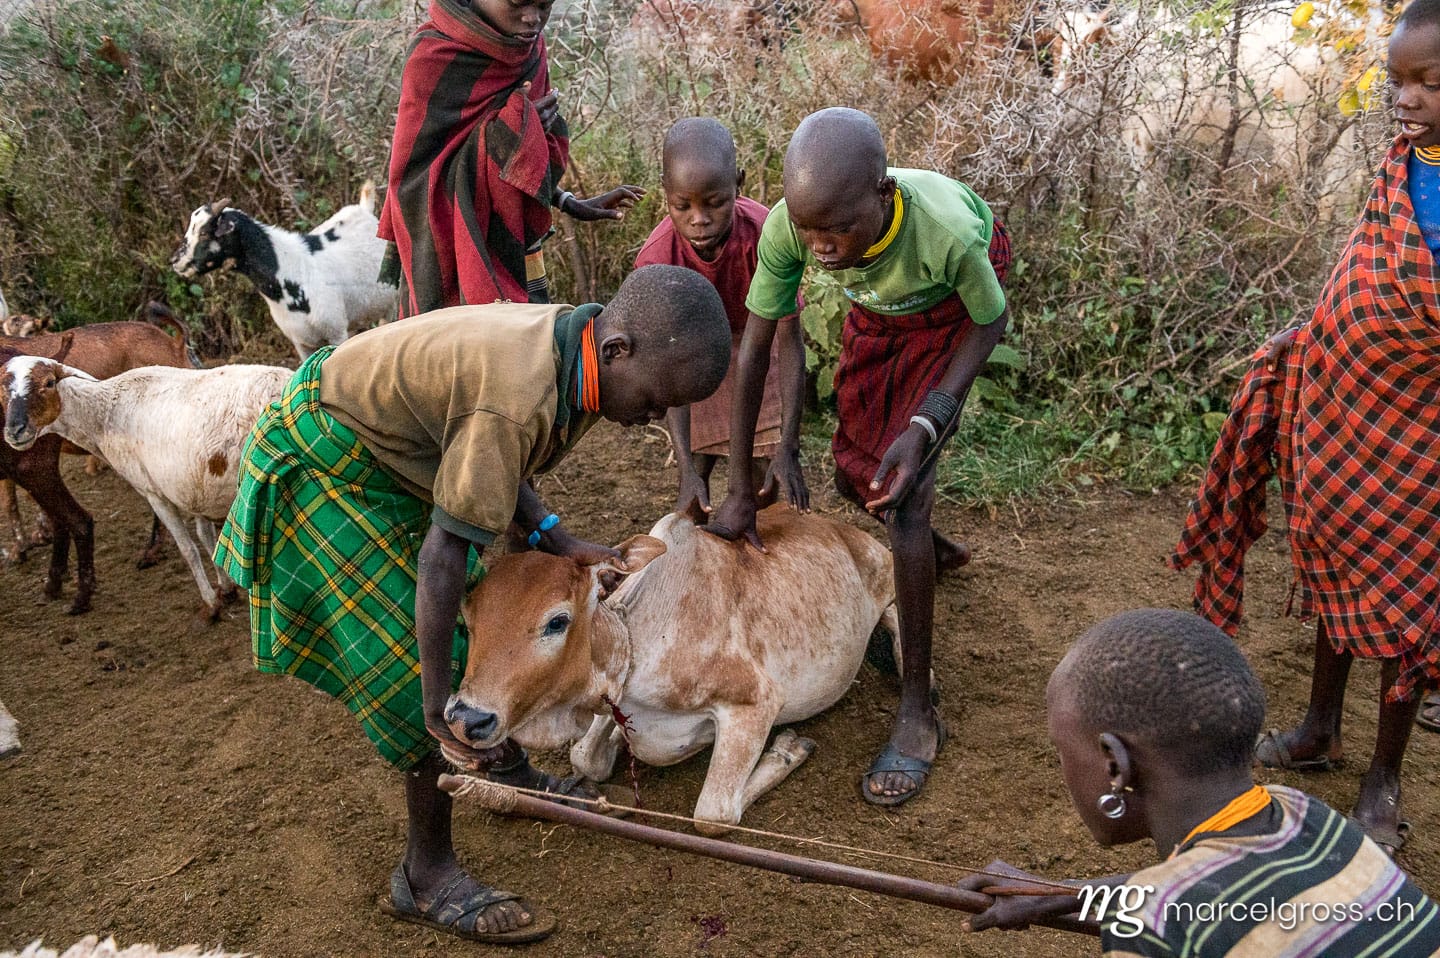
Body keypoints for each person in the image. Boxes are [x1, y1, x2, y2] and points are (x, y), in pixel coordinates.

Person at [213, 265, 731, 945]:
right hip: (329, 460)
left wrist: (549, 532)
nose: (657, 418)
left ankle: (507, 772)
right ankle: (425, 875)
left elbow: (485, 452)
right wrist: (436, 703)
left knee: (465, 665)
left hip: (388, 451)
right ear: (617, 352)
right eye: (659, 400)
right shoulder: (520, 392)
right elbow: (443, 556)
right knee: (433, 658)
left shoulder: (574, 343)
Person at [1170, 0, 1440, 858]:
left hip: (1421, 429)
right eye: (1398, 78)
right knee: (1336, 561)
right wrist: (1315, 331)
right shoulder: (1403, 162)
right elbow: (1364, 264)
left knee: (1409, 604)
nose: (1405, 97)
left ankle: (1383, 780)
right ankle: (1321, 725)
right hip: (1340, 402)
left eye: (1428, 82)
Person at [707, 107, 1010, 807]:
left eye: (839, 228)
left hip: (957, 309)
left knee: (898, 491)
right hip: (884, 309)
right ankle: (928, 551)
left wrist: (930, 420)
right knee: (856, 474)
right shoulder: (794, 228)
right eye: (810, 230)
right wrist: (742, 487)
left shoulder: (944, 232)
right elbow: (754, 347)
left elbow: (991, 318)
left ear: (883, 194)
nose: (822, 247)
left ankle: (918, 712)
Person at [958, 609, 1440, 957]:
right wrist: (1060, 893)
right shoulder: (1309, 819)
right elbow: (1210, 894)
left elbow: (1183, 903)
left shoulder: (1153, 932)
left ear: (1114, 767)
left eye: (1063, 752)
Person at [379, 0, 644, 316]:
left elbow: (523, 157)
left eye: (544, 7)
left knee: (520, 351)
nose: (532, 19)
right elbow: (413, 184)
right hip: (440, 259)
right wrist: (510, 130)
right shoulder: (433, 58)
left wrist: (565, 200)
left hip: (514, 252)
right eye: (517, 4)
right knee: (452, 357)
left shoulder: (527, 50)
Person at [633, 117, 800, 518]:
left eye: (715, 202)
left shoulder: (766, 235)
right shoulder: (657, 262)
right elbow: (668, 368)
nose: (699, 219)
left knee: (764, 479)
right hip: (696, 353)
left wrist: (788, 444)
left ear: (738, 183)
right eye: (682, 205)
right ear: (665, 193)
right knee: (697, 484)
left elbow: (790, 341)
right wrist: (685, 470)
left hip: (760, 344)